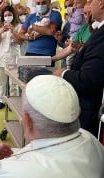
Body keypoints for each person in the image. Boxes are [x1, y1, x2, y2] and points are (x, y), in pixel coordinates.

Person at [0, 75, 104, 178]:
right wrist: (10, 153)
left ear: (27, 121)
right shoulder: (90, 140)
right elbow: (52, 152)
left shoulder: (14, 173)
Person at [53, 0, 104, 137]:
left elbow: (89, 79)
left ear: (101, 3)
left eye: (91, 1)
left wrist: (64, 73)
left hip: (90, 110)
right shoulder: (96, 30)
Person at [0, 6, 22, 109]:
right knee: (1, 81)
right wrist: (1, 31)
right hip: (1, 58)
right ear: (2, 17)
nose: (7, 17)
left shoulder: (19, 26)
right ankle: (1, 100)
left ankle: (13, 102)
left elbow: (20, 42)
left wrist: (13, 30)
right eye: (5, 15)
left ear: (13, 15)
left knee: (13, 82)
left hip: (13, 58)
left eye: (9, 15)